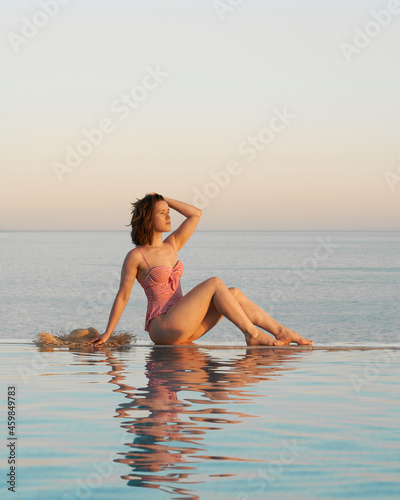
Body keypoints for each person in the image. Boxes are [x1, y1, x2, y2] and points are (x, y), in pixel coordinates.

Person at [89, 194, 313, 347]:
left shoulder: (172, 245)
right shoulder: (137, 256)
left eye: (168, 212)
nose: (169, 216)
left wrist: (164, 199)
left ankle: (281, 331)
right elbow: (123, 295)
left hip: (185, 324)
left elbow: (195, 214)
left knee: (232, 293)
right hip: (162, 326)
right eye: (162, 213)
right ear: (148, 218)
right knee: (215, 283)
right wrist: (108, 333)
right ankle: (251, 334)